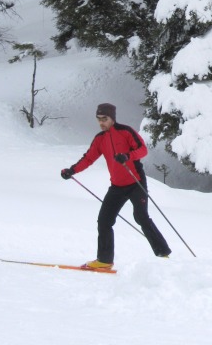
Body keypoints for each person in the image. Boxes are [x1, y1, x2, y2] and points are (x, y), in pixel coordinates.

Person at [61, 103, 171, 269]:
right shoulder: (100, 139)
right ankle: (104, 261)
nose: (101, 123)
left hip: (135, 181)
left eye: (104, 119)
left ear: (112, 118)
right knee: (104, 221)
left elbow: (142, 150)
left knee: (141, 217)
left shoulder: (125, 132)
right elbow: (88, 158)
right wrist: (72, 171)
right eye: (99, 119)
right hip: (117, 186)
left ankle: (163, 254)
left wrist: (128, 156)